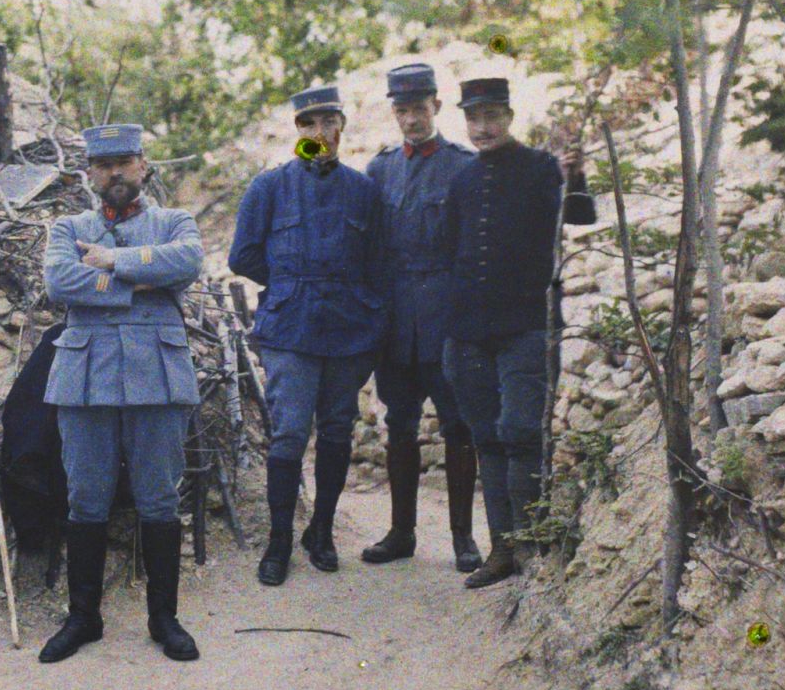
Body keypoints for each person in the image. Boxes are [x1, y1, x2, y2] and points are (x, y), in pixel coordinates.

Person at [39, 123, 205, 663]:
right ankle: (84, 617)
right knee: (86, 494)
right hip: (86, 376)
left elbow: (188, 262)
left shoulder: (173, 221)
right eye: (103, 164)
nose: (115, 173)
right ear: (89, 174)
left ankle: (165, 618)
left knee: (159, 495)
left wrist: (111, 263)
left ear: (143, 166)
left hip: (157, 373)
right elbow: (61, 282)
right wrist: (143, 278)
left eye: (125, 162)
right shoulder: (68, 226)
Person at [229, 85, 386, 586]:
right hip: (291, 327)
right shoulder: (269, 188)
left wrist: (364, 311)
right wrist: (290, 282)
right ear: (297, 132)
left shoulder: (363, 191)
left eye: (328, 123)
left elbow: (378, 264)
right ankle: (279, 539)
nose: (319, 134)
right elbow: (243, 256)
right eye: (309, 125)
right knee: (291, 430)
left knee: (337, 430)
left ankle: (321, 531)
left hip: (347, 327)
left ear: (341, 127)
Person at [433, 77, 572, 588]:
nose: (483, 128)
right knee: (486, 436)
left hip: (525, 326)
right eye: (474, 118)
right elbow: (449, 251)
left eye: (492, 116)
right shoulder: (463, 181)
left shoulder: (540, 169)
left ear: (510, 117)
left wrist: (574, 179)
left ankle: (533, 542)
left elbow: (577, 219)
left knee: (519, 429)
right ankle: (502, 549)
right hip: (469, 332)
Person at [360, 62, 482, 572]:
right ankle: (401, 532)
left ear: (436, 106)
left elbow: (475, 250)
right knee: (400, 424)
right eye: (402, 110)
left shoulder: (464, 166)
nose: (411, 119)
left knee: (458, 425)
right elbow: (367, 247)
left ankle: (462, 538)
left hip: (446, 318)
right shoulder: (381, 168)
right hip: (395, 321)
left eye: (419, 108)